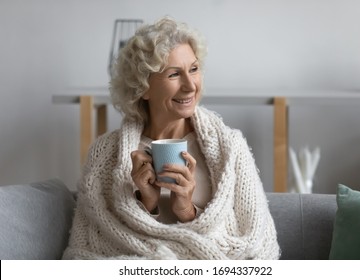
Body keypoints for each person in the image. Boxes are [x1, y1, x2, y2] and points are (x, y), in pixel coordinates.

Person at [63, 16, 280, 260]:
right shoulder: (104, 154)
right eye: (174, 74)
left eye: (194, 69)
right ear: (143, 87)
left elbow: (257, 244)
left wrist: (186, 209)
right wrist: (147, 203)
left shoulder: (229, 147)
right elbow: (84, 252)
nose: (190, 86)